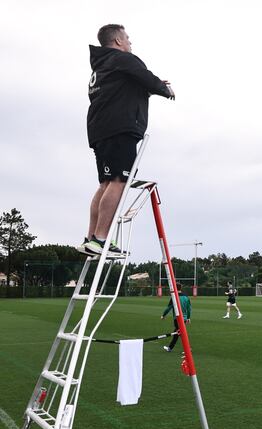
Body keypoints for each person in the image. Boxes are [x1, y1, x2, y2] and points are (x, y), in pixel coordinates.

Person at [78, 24, 174, 256]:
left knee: (106, 183)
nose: (130, 43)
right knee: (120, 180)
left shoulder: (102, 68)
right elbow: (147, 78)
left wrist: (147, 90)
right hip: (120, 128)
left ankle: (92, 238)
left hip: (100, 130)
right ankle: (100, 239)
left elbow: (127, 88)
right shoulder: (123, 59)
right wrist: (165, 88)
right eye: (128, 38)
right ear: (118, 41)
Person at [160, 282, 191, 352]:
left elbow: (169, 308)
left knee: (180, 333)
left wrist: (163, 315)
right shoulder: (186, 297)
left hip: (177, 319)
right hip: (184, 319)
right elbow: (189, 308)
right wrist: (188, 317)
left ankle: (187, 349)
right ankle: (170, 348)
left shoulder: (174, 297)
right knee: (177, 333)